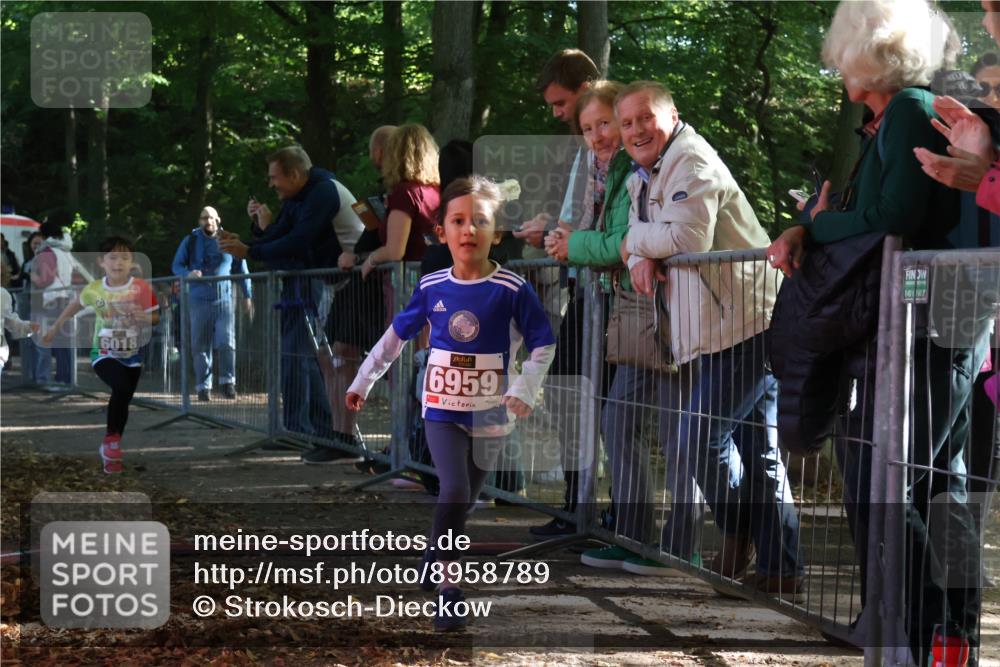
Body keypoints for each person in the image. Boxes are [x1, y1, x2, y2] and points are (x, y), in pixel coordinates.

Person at [767, 2, 984, 662]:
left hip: (932, 323)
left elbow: (889, 216)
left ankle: (925, 632)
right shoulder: (895, 117)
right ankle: (925, 630)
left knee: (892, 481)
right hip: (933, 322)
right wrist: (828, 221)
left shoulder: (911, 110)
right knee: (922, 478)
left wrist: (812, 225)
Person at [618, 80, 803, 597]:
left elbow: (686, 238)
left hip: (748, 321)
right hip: (712, 326)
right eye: (626, 122)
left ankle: (740, 528)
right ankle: (782, 564)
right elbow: (647, 237)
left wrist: (632, 243)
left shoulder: (691, 160)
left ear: (671, 115)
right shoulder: (644, 174)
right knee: (755, 448)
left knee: (700, 439)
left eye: (644, 118)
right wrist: (637, 252)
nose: (635, 130)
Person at [346, 176, 556, 631]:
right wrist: (364, 380)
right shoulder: (431, 286)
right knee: (454, 491)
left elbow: (544, 344)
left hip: (492, 414)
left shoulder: (513, 289)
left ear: (496, 233)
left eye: (480, 221)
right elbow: (394, 338)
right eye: (458, 221)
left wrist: (524, 389)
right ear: (441, 232)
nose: (469, 230)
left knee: (465, 500)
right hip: (440, 408)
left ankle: (434, 553)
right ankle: (449, 590)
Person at [545, 80, 704, 575]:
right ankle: (635, 534)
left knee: (683, 433)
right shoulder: (626, 172)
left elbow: (625, 239)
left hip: (682, 313)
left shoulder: (671, 163)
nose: (601, 135)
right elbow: (624, 238)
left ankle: (683, 545)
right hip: (638, 312)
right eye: (589, 128)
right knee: (618, 420)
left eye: (606, 124)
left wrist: (584, 246)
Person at [220, 146, 357, 463]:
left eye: (274, 177)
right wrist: (249, 241)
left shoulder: (322, 193)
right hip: (336, 284)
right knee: (320, 359)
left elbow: (300, 240)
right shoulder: (301, 196)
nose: (271, 184)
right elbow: (281, 232)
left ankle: (330, 435)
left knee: (331, 360)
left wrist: (250, 251)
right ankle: (327, 433)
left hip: (352, 284)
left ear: (294, 174)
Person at [518, 48, 600, 538]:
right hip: (589, 288)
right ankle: (579, 505)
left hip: (607, 293)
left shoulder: (606, 142)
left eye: (560, 102)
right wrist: (551, 230)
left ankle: (588, 510)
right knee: (570, 390)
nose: (557, 113)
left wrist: (559, 234)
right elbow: (582, 217)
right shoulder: (583, 148)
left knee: (579, 393)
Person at [40, 236, 160, 474]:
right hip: (103, 353)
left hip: (132, 354)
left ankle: (111, 446)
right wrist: (54, 328)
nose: (118, 263)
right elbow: (73, 306)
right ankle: (112, 442)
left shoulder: (141, 287)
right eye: (113, 257)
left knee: (123, 398)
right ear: (101, 262)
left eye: (124, 258)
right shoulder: (94, 288)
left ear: (132, 262)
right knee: (121, 388)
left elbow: (155, 316)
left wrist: (144, 317)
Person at [171, 206, 252, 402]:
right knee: (200, 345)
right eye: (203, 218)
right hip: (198, 300)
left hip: (224, 300)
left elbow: (242, 268)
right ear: (199, 221)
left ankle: (228, 382)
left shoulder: (228, 239)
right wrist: (187, 274)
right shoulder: (190, 240)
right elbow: (176, 265)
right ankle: (203, 387)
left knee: (226, 341)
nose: (207, 221)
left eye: (211, 218)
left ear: (218, 219)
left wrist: (247, 295)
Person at [31, 220, 79, 390]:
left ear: (44, 235)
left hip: (51, 300)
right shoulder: (66, 252)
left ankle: (49, 381)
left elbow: (45, 279)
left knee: (47, 341)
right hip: (66, 299)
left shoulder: (47, 251)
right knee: (64, 343)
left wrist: (33, 278)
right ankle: (66, 379)